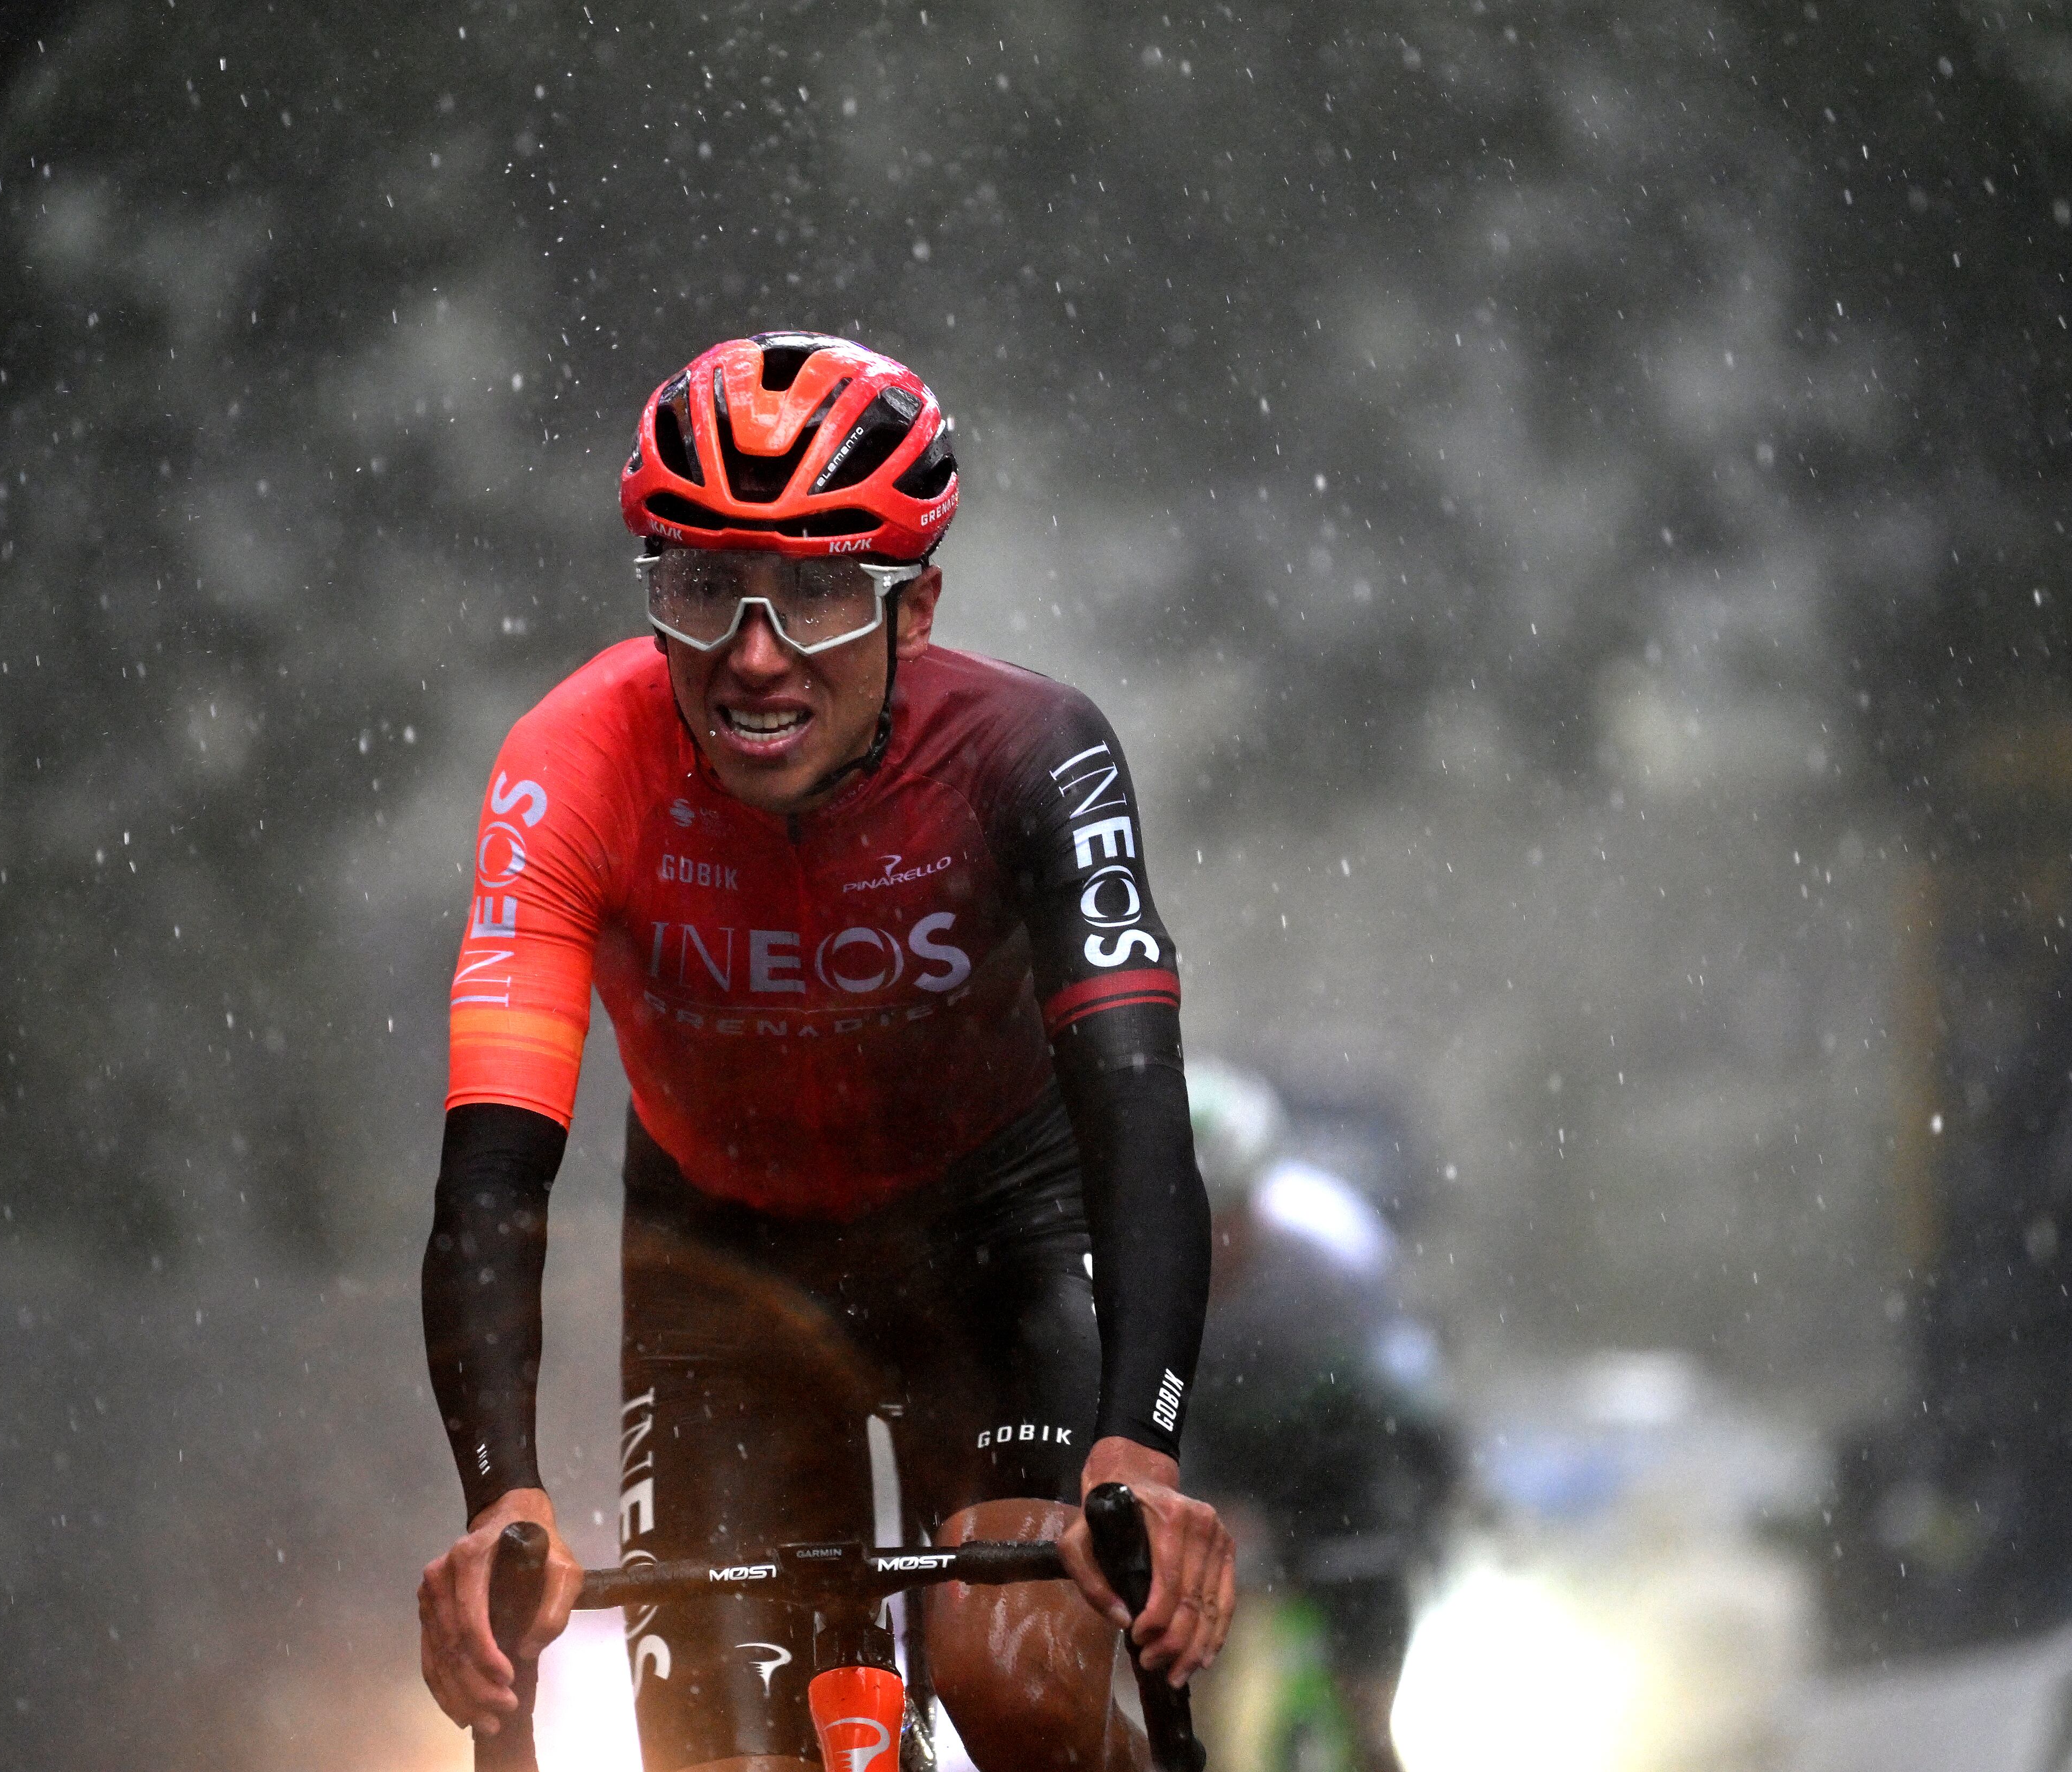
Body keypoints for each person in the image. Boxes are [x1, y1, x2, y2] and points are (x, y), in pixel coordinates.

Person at [415, 332, 1234, 1772]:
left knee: (1017, 1685)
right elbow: (492, 1172)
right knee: (720, 1758)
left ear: (917, 606)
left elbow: (1133, 1104)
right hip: (725, 1261)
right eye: (702, 586)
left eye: (817, 591)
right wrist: (503, 1494)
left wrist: (1140, 1446)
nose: (753, 653)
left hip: (996, 1239)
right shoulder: (571, 763)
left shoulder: (1032, 751)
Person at [1179, 1061, 1458, 1772]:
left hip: (1338, 1461)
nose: (1212, 1242)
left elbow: (1409, 1407)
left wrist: (1435, 1507)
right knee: (1186, 1693)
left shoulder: (1330, 1261)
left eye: (1229, 1215)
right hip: (1208, 1453)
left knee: (1365, 1704)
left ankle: (1369, 1739)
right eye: (1183, 1221)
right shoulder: (1117, 1274)